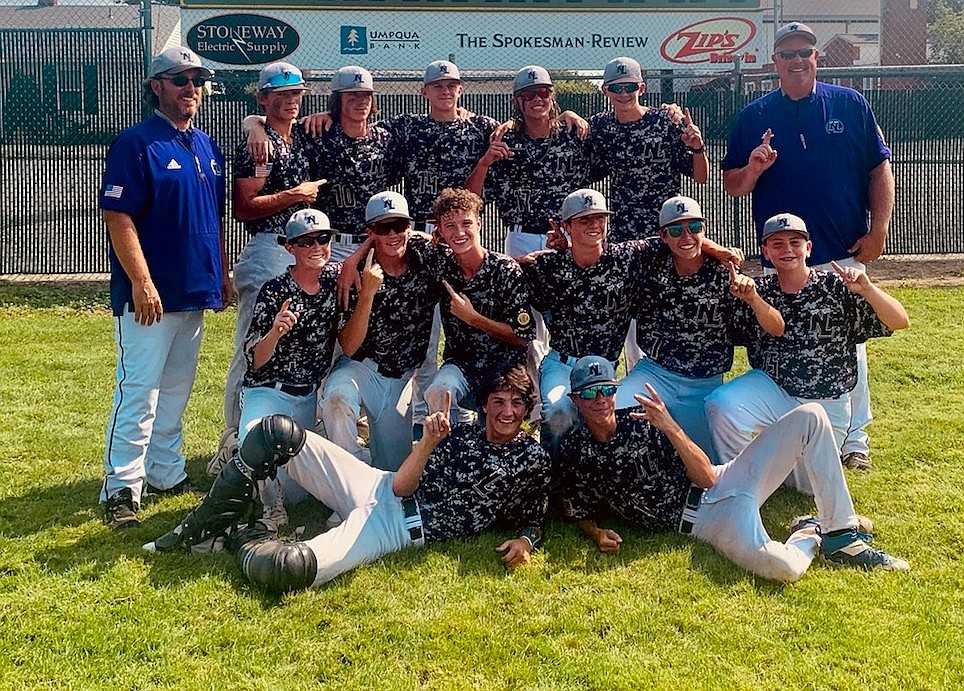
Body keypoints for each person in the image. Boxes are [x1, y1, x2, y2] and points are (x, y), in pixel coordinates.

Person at [144, 364, 551, 593]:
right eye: (498, 401)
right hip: (378, 485)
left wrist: (526, 539)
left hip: (396, 529)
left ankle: (240, 536)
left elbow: (535, 515)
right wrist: (426, 442)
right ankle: (194, 528)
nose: (507, 412)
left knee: (292, 567)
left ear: (527, 408)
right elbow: (400, 485)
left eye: (517, 403)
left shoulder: (531, 459)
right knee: (274, 433)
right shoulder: (457, 434)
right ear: (483, 405)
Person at [557, 356, 909, 581]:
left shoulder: (642, 421)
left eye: (607, 389)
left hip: (724, 478)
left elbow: (707, 476)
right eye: (590, 393)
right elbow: (577, 508)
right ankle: (811, 533)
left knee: (812, 417)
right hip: (707, 521)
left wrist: (669, 425)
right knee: (783, 569)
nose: (601, 399)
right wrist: (596, 532)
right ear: (575, 400)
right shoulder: (575, 450)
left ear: (616, 391)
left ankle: (841, 533)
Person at [721, 21, 896, 471]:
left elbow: (879, 170)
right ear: (774, 61)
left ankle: (855, 439)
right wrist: (756, 167)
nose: (797, 60)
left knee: (848, 344)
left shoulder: (849, 103)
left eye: (805, 52)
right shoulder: (755, 115)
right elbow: (732, 186)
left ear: (817, 56)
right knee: (776, 341)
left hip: (838, 248)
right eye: (788, 53)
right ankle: (791, 426)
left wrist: (878, 232)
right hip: (781, 258)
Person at [98, 46, 230, 528]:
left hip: (193, 292)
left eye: (197, 79)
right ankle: (121, 489)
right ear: (157, 86)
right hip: (149, 297)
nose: (191, 88)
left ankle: (166, 472)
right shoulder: (136, 142)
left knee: (175, 391)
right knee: (139, 392)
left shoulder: (205, 143)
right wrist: (142, 281)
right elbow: (118, 215)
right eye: (180, 79)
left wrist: (222, 275)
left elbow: (211, 218)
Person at [705, 213, 909, 493]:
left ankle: (774, 468)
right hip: (775, 391)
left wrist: (868, 288)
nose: (787, 250)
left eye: (794, 242)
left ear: (808, 248)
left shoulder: (836, 287)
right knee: (722, 404)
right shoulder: (759, 290)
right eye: (777, 244)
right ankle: (739, 484)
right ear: (765, 251)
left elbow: (900, 321)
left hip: (825, 401)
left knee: (806, 486)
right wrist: (745, 293)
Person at [211, 61, 325, 476]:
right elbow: (244, 206)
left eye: (295, 93)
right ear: (263, 98)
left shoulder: (288, 138)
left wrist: (255, 122)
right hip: (267, 249)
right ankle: (233, 440)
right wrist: (295, 195)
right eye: (280, 94)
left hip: (296, 251)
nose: (290, 101)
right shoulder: (257, 147)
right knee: (252, 347)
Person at [615, 196, 784, 464]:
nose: (686, 236)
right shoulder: (650, 260)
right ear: (663, 236)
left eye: (694, 227)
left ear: (704, 229)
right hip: (656, 373)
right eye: (675, 230)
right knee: (615, 412)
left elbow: (774, 327)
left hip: (703, 381)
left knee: (708, 465)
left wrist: (752, 298)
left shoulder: (725, 274)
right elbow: (606, 254)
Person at [320, 191, 443, 471]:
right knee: (338, 398)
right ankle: (347, 483)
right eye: (382, 227)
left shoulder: (426, 260)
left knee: (391, 471)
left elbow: (465, 257)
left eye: (398, 226)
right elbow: (349, 346)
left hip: (400, 382)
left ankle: (360, 465)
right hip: (361, 369)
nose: (392, 234)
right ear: (370, 231)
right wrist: (367, 295)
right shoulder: (353, 274)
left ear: (409, 227)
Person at [238, 209, 344, 528]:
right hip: (268, 392)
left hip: (307, 399)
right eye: (305, 241)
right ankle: (271, 510)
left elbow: (360, 257)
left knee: (298, 493)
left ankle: (244, 465)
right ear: (290, 248)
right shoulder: (274, 290)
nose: (316, 247)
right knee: (256, 443)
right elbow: (255, 359)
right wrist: (275, 332)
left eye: (323, 238)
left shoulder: (334, 283)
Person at [422, 188, 535, 421]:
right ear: (440, 231)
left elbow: (523, 335)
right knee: (438, 391)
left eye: (466, 223)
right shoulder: (439, 263)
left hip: (504, 371)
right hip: (461, 366)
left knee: (493, 436)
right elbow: (400, 238)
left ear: (479, 224)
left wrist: (473, 318)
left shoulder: (505, 270)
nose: (460, 232)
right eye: (450, 225)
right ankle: (447, 449)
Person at [466, 65, 590, 258]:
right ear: (516, 101)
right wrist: (484, 164)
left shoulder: (572, 134)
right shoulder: (504, 140)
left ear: (552, 96)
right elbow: (471, 199)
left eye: (543, 92)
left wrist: (567, 114)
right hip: (521, 237)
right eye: (528, 95)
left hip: (568, 235)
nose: (537, 99)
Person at [587, 56, 708, 243]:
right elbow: (559, 130)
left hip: (669, 230)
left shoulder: (666, 121)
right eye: (616, 88)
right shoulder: (600, 125)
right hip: (624, 233)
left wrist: (698, 148)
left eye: (630, 87)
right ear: (605, 91)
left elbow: (701, 177)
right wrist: (567, 114)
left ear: (641, 88)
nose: (623, 94)